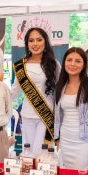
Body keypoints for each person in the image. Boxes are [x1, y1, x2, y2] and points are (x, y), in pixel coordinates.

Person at [11, 27, 61, 155]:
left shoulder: (53, 64)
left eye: (39, 40)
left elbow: (61, 90)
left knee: (42, 154)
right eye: (31, 40)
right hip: (27, 115)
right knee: (28, 153)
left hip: (46, 115)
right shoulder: (21, 66)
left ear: (45, 42)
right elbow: (13, 92)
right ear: (27, 44)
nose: (35, 44)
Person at [54, 47, 88, 170]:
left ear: (84, 64)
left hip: (86, 138)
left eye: (78, 61)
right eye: (69, 60)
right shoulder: (61, 84)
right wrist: (58, 139)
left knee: (82, 174)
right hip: (66, 138)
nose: (72, 64)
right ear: (64, 62)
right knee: (68, 173)